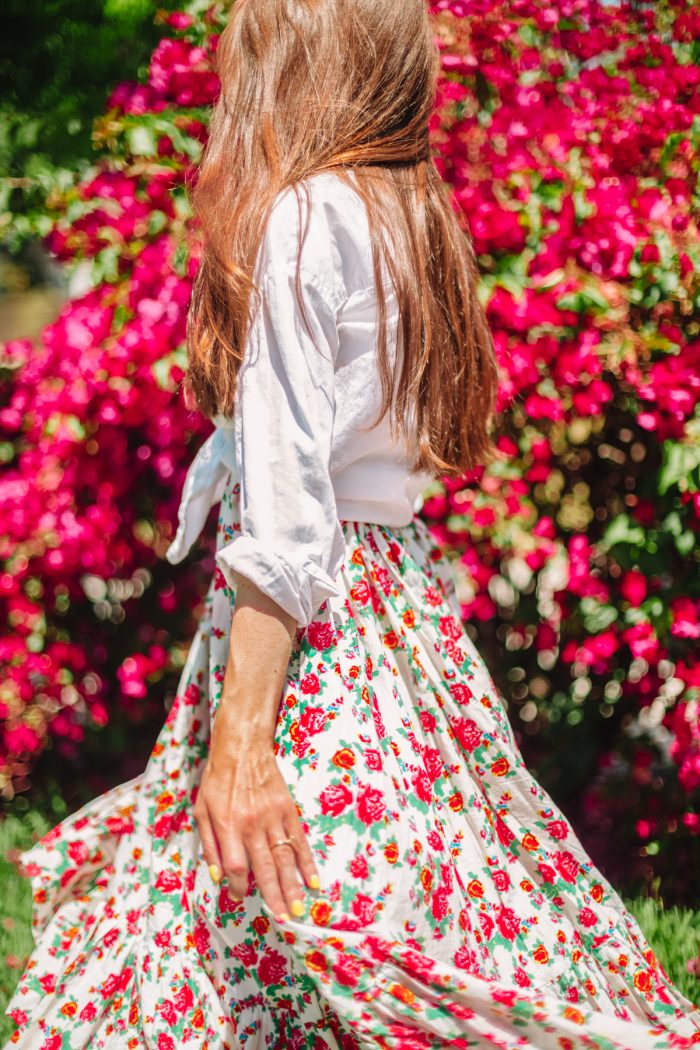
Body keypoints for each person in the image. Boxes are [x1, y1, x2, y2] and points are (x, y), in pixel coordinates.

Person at [4, 0, 700, 1047]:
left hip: (308, 625)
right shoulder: (410, 210)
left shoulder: (300, 216)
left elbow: (288, 516)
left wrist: (239, 743)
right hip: (396, 604)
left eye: (251, 45)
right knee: (411, 877)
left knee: (278, 895)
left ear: (297, 59)